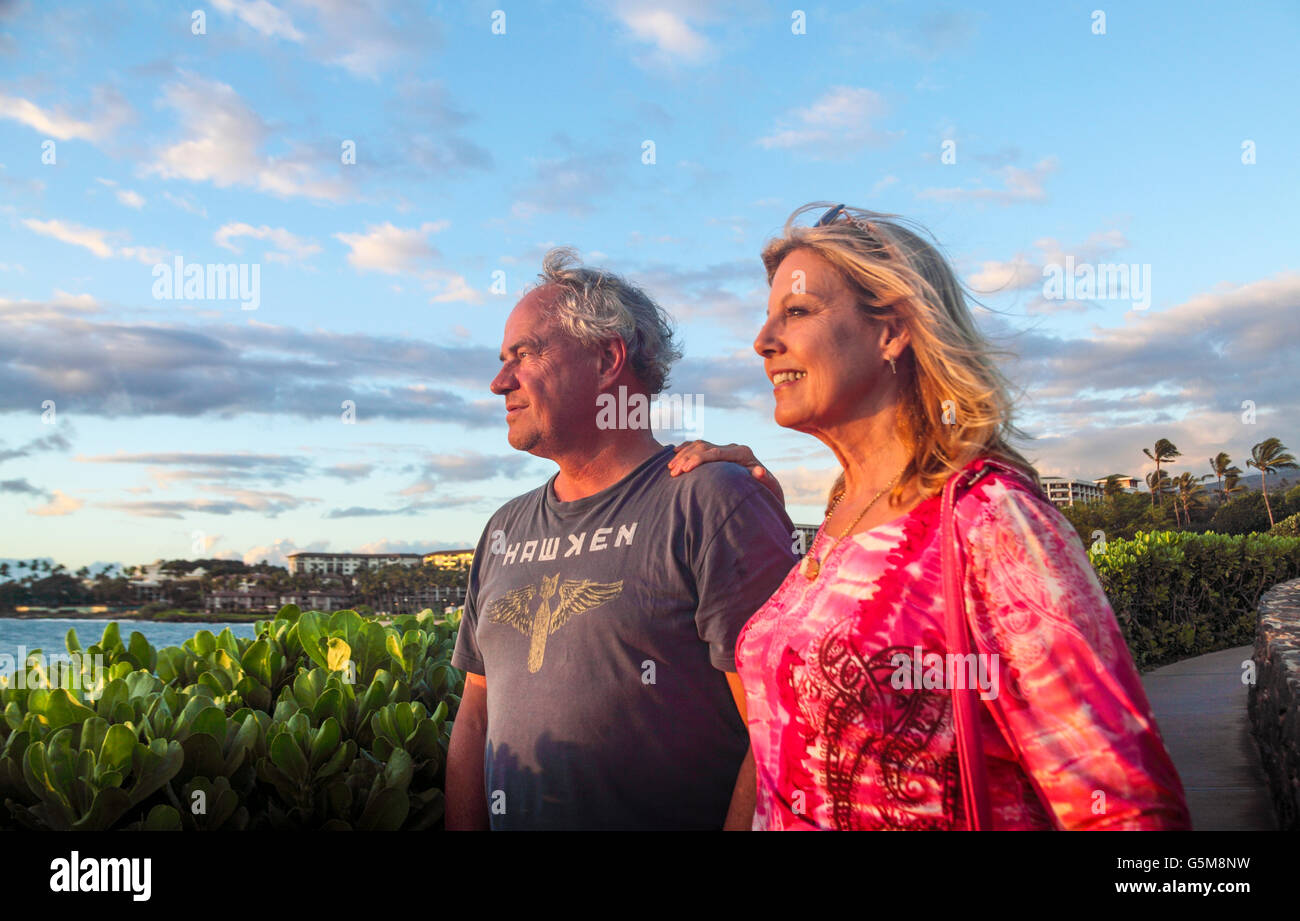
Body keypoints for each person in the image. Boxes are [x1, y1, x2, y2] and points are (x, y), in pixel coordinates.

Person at [677, 202, 1191, 830]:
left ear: (891, 330)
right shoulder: (839, 519)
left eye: (798, 311)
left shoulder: (991, 522)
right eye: (768, 317)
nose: (762, 341)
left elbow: (1129, 810)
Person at [445, 248, 797, 830]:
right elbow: (475, 718)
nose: (498, 382)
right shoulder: (504, 529)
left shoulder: (713, 501)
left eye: (524, 354)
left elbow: (778, 733)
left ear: (608, 359)